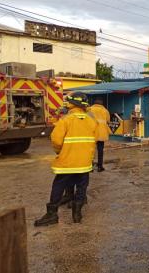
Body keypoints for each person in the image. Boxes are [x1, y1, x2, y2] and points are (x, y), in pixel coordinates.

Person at [34, 92, 98, 226]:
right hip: (84, 163)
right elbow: (94, 141)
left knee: (58, 185)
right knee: (81, 187)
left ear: (71, 104)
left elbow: (56, 141)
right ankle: (77, 214)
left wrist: (61, 152)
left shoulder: (65, 120)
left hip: (68, 163)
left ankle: (52, 215)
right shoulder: (91, 121)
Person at [89, 98, 111, 172]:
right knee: (100, 150)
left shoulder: (90, 109)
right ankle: (100, 166)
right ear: (101, 104)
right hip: (102, 133)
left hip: (92, 132)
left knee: (91, 150)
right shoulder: (105, 110)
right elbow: (108, 120)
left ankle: (90, 167)